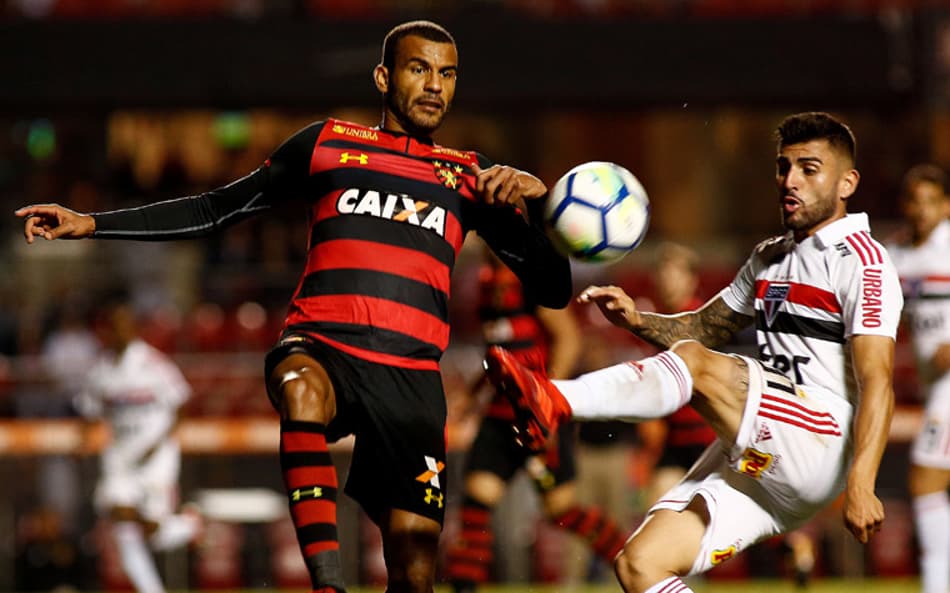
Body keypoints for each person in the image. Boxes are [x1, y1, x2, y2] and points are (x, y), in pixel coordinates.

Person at [16, 20, 572, 593]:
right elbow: (215, 208)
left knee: (414, 572)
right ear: (384, 76)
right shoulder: (326, 144)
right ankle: (327, 584)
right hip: (324, 344)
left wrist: (543, 204)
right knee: (301, 388)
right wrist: (92, 224)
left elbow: (554, 288)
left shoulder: (469, 178)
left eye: (447, 73)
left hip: (411, 380)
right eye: (418, 68)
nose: (434, 85)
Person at [483, 111, 902, 593]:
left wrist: (863, 482)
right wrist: (638, 321)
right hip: (762, 453)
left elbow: (878, 381)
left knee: (698, 366)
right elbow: (704, 326)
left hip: (821, 442)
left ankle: (554, 399)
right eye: (784, 167)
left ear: (847, 182)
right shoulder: (770, 256)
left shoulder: (863, 262)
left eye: (809, 169)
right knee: (640, 565)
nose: (790, 181)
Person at [444, 246, 627, 592]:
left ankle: (629, 561)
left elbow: (569, 339)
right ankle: (463, 589)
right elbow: (498, 353)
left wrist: (548, 398)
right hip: (499, 418)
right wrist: (472, 395)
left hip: (538, 419)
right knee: (475, 504)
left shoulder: (530, 281)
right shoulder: (485, 285)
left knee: (562, 510)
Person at [74, 289, 201, 593]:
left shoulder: (153, 364)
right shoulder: (100, 371)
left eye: (124, 323)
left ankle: (186, 527)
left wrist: (159, 443)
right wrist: (85, 441)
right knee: (118, 516)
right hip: (120, 457)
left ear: (133, 327)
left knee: (149, 531)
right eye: (112, 324)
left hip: (156, 457)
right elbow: (90, 411)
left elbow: (181, 403)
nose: (118, 330)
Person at [886, 163, 950, 593]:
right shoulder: (897, 257)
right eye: (915, 201)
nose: (923, 210)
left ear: (946, 206)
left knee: (925, 479)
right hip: (934, 386)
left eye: (932, 201)